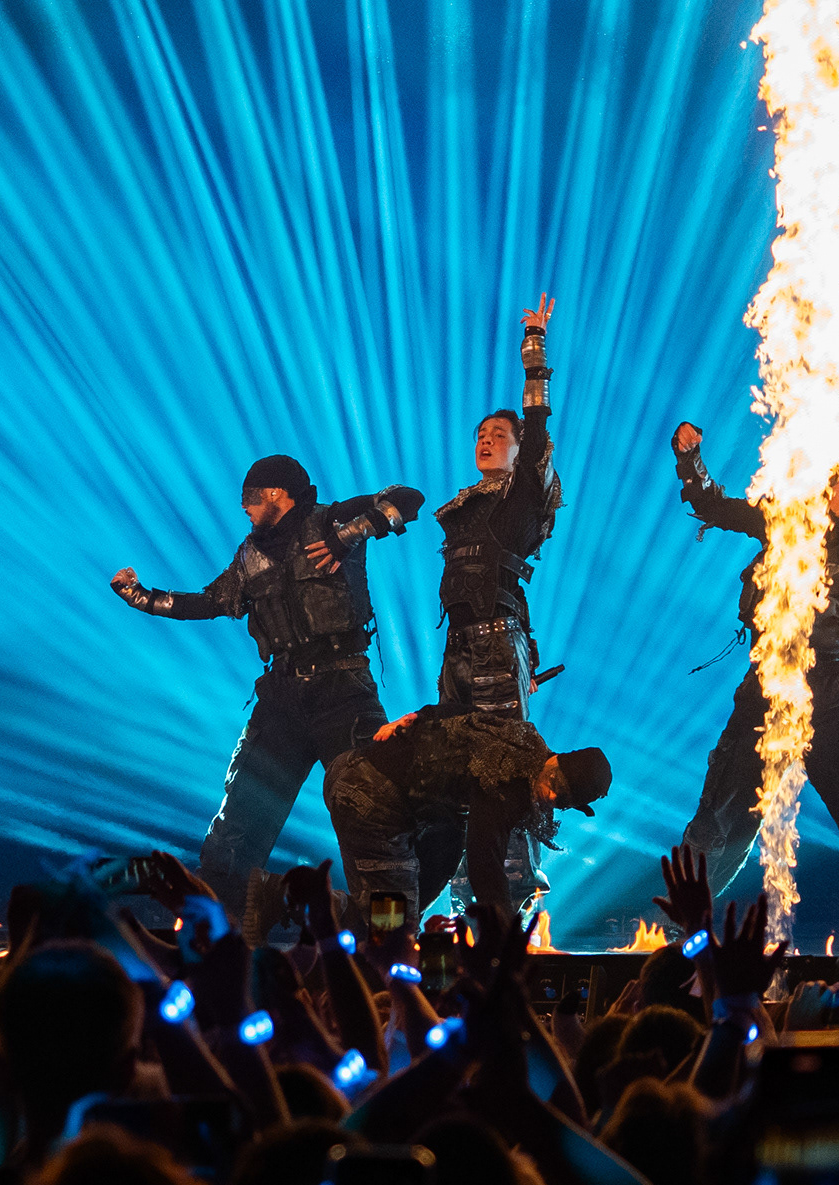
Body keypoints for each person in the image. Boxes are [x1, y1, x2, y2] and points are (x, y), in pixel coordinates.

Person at [665, 421, 839, 928]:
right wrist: (691, 460)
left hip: (831, 695)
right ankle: (683, 929)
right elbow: (715, 506)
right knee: (722, 814)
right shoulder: (785, 519)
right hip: (768, 688)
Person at [112, 454, 423, 898]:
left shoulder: (332, 520)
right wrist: (141, 597)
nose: (244, 507)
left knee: (373, 814)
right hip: (282, 698)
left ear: (276, 493)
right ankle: (222, 924)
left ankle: (388, 931)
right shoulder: (249, 556)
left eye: (250, 498)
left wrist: (349, 536)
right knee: (237, 826)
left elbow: (407, 499)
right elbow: (208, 602)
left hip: (344, 691)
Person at [327, 704, 614, 922]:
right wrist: (506, 937)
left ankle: (321, 908)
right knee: (392, 926)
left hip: (361, 783)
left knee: (390, 916)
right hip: (369, 794)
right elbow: (485, 863)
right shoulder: (510, 775)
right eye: (555, 784)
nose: (551, 796)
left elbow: (456, 711)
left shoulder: (521, 740)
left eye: (562, 800)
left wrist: (420, 716)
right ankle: (315, 904)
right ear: (555, 760)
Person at [436, 297, 561, 722]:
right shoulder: (465, 507)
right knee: (450, 749)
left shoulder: (523, 493)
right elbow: (504, 584)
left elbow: (536, 424)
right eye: (481, 435)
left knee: (498, 748)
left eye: (499, 435)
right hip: (456, 648)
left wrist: (534, 346)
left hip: (496, 648)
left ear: (519, 449)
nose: (486, 440)